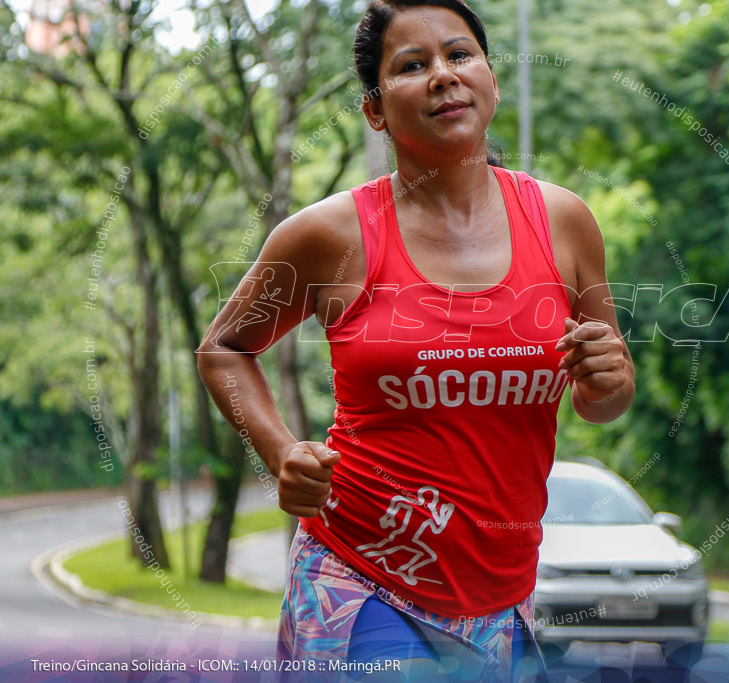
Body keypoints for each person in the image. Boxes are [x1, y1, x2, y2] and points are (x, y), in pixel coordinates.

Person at [196, 0, 634, 680]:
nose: (443, 75)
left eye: (460, 55)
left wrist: (610, 380)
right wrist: (281, 450)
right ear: (374, 109)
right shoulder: (328, 236)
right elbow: (224, 347)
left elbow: (603, 395)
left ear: (488, 75)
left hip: (503, 596)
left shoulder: (564, 221)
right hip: (360, 577)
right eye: (412, 65)